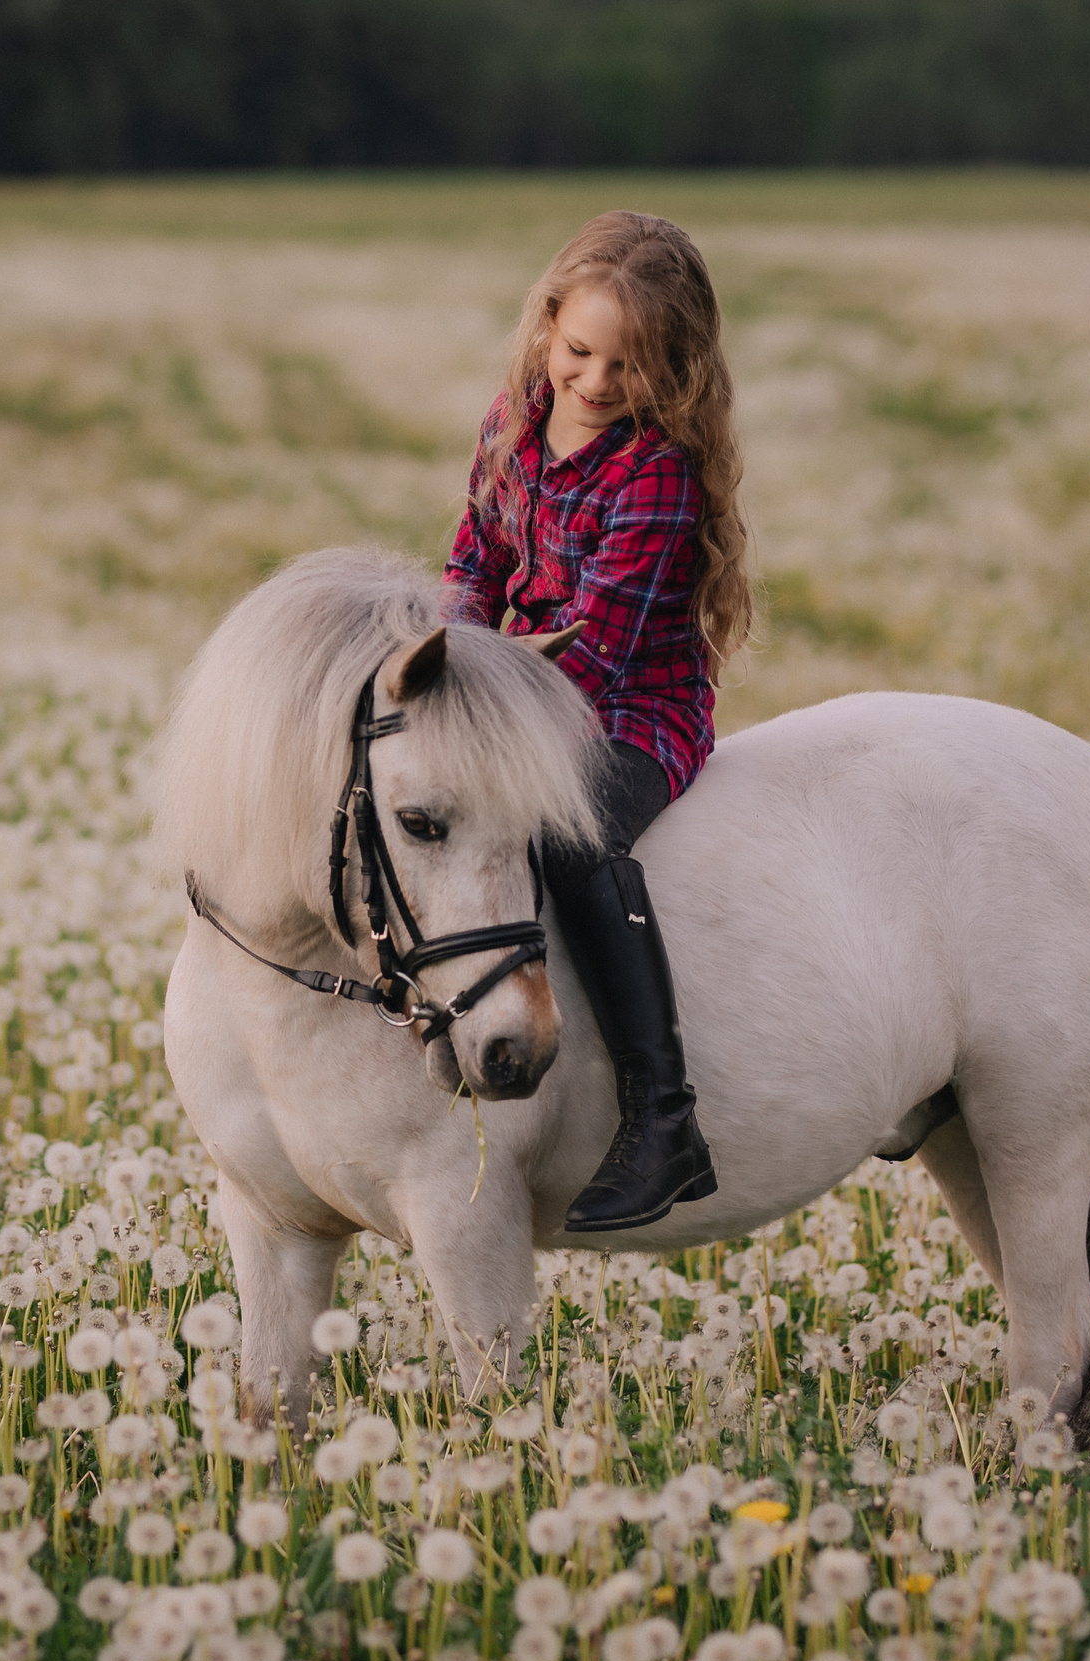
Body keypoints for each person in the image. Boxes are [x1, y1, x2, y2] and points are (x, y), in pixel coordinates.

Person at [443, 210, 751, 1233]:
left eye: (631, 365)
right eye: (579, 352)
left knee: (573, 839)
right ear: (547, 328)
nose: (595, 382)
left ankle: (665, 1117)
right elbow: (471, 564)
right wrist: (445, 661)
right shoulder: (510, 422)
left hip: (624, 711)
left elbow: (595, 649)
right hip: (506, 689)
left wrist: (485, 704)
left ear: (675, 370)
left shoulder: (655, 471)